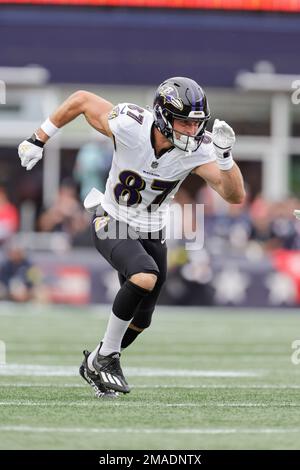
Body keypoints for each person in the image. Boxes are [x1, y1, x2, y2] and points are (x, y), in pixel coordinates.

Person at [18, 77, 245, 398]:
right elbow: (81, 99)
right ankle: (107, 358)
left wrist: (225, 158)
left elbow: (234, 196)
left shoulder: (198, 149)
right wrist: (39, 138)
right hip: (110, 217)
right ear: (164, 117)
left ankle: (97, 359)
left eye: (197, 124)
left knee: (142, 321)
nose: (192, 132)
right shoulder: (130, 124)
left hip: (152, 229)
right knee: (144, 276)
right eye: (184, 123)